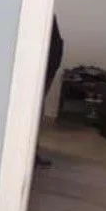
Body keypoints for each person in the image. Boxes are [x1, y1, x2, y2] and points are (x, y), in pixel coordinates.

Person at [36, 16, 64, 168]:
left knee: (36, 109)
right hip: (46, 64)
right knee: (35, 109)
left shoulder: (45, 13)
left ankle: (31, 152)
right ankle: (30, 153)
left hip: (48, 64)